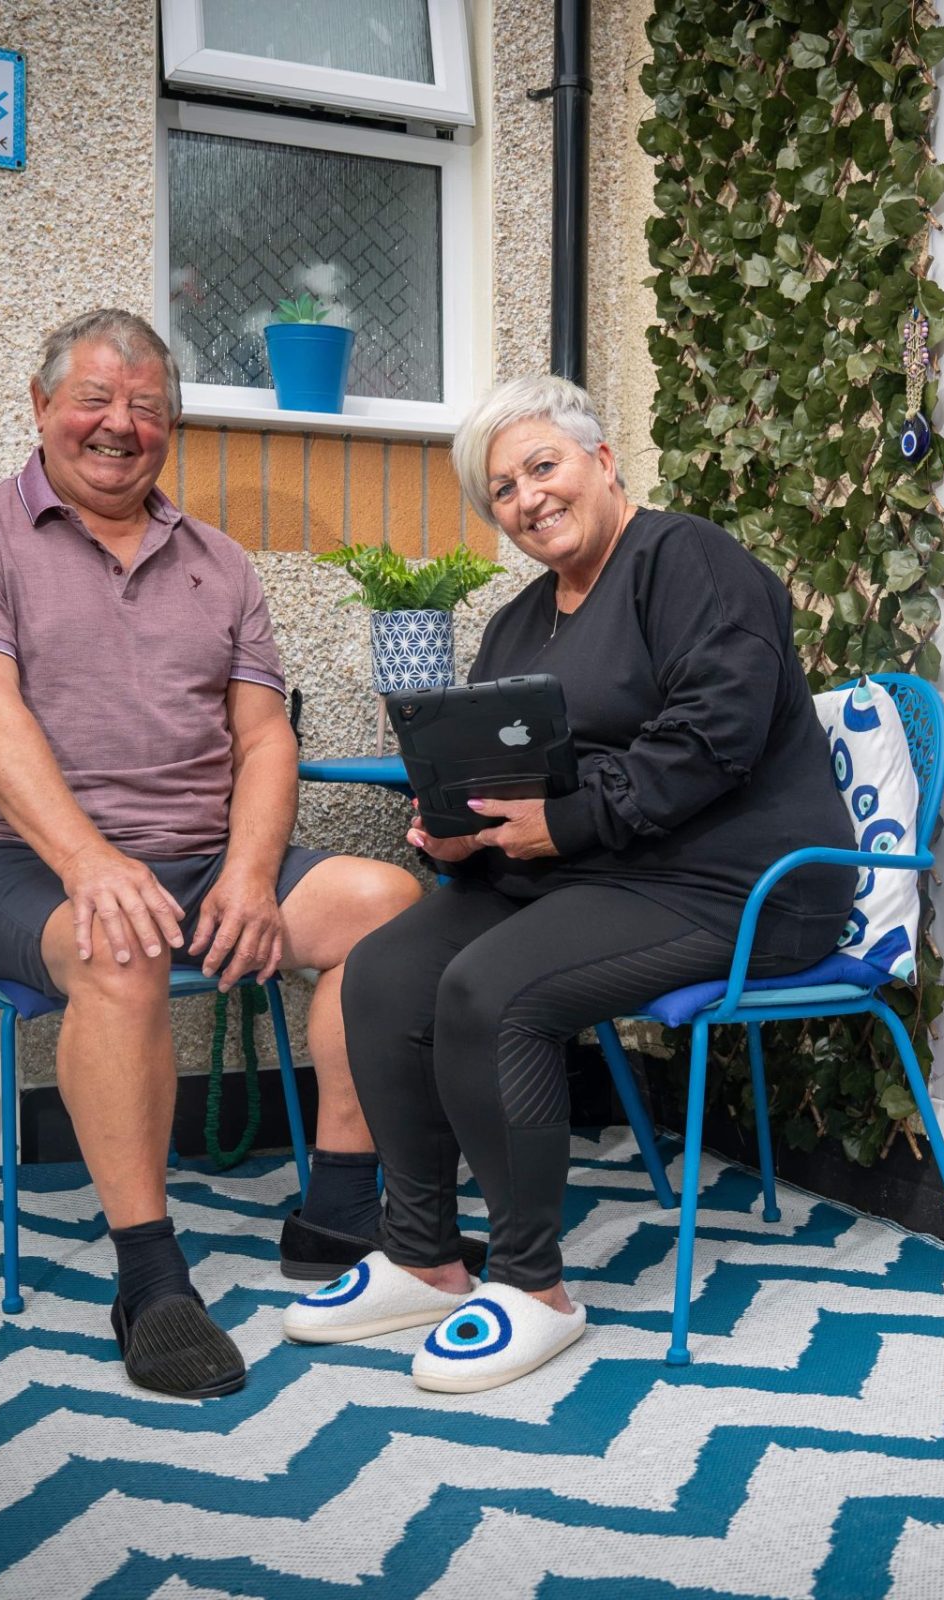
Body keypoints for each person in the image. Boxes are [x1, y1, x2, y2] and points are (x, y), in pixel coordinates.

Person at [282, 375, 856, 1392]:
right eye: (500, 489)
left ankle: (531, 1282)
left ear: (600, 460)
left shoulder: (689, 563)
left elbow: (710, 741)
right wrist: (460, 835)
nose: (527, 498)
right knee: (381, 973)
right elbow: (514, 783)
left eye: (541, 466)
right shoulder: (516, 624)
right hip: (589, 875)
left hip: (733, 884)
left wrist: (562, 822)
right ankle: (422, 1251)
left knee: (491, 992)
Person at [0, 308, 421, 1399]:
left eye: (147, 407)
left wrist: (245, 869)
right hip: (12, 861)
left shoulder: (221, 564)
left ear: (171, 429)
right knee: (121, 937)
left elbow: (264, 734)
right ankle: (149, 1274)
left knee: (387, 900)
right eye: (94, 398)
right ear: (40, 408)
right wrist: (91, 862)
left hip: (193, 854)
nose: (118, 424)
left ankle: (334, 1210)